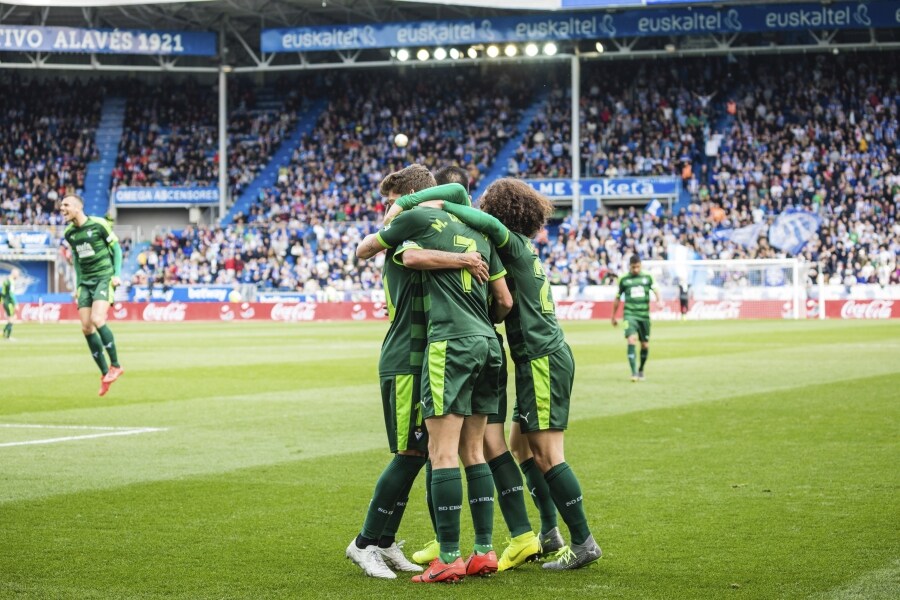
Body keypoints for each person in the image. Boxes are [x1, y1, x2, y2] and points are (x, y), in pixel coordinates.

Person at [393, 178, 602, 571]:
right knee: (520, 449)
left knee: (547, 453)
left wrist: (431, 208)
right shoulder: (522, 248)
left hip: (540, 356)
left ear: (500, 211)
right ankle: (547, 533)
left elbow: (473, 217)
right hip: (537, 357)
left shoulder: (506, 239)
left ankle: (584, 541)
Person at [358, 166, 513, 583]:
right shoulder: (421, 234)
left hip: (433, 351)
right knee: (414, 453)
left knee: (428, 453)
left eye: (392, 198)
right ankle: (366, 543)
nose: (387, 208)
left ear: (409, 194)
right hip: (408, 356)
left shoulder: (420, 223)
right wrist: (463, 258)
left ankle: (384, 541)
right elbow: (390, 252)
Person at [60, 194, 125, 396]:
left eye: (66, 205)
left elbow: (116, 249)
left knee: (98, 318)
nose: (62, 208)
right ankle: (105, 373)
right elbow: (77, 260)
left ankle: (116, 365)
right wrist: (79, 285)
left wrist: (116, 274)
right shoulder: (69, 233)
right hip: (85, 282)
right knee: (86, 328)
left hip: (103, 277)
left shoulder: (99, 224)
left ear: (78, 207)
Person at [611, 254, 661, 382]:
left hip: (644, 315)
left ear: (641, 265)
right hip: (630, 314)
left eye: (638, 267)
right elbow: (617, 298)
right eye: (633, 267)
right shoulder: (623, 279)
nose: (636, 270)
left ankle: (641, 369)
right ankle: (633, 373)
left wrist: (659, 300)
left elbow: (656, 289)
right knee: (631, 340)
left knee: (644, 345)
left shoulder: (647, 277)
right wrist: (613, 316)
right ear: (630, 266)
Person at [2, 268, 18, 340]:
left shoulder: (6, 281)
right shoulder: (11, 282)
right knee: (12, 319)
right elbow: (11, 294)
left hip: (5, 301)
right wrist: (16, 303)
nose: (18, 276)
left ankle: (4, 332)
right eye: (17, 274)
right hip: (9, 302)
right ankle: (7, 336)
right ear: (14, 273)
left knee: (12, 318)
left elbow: (2, 292)